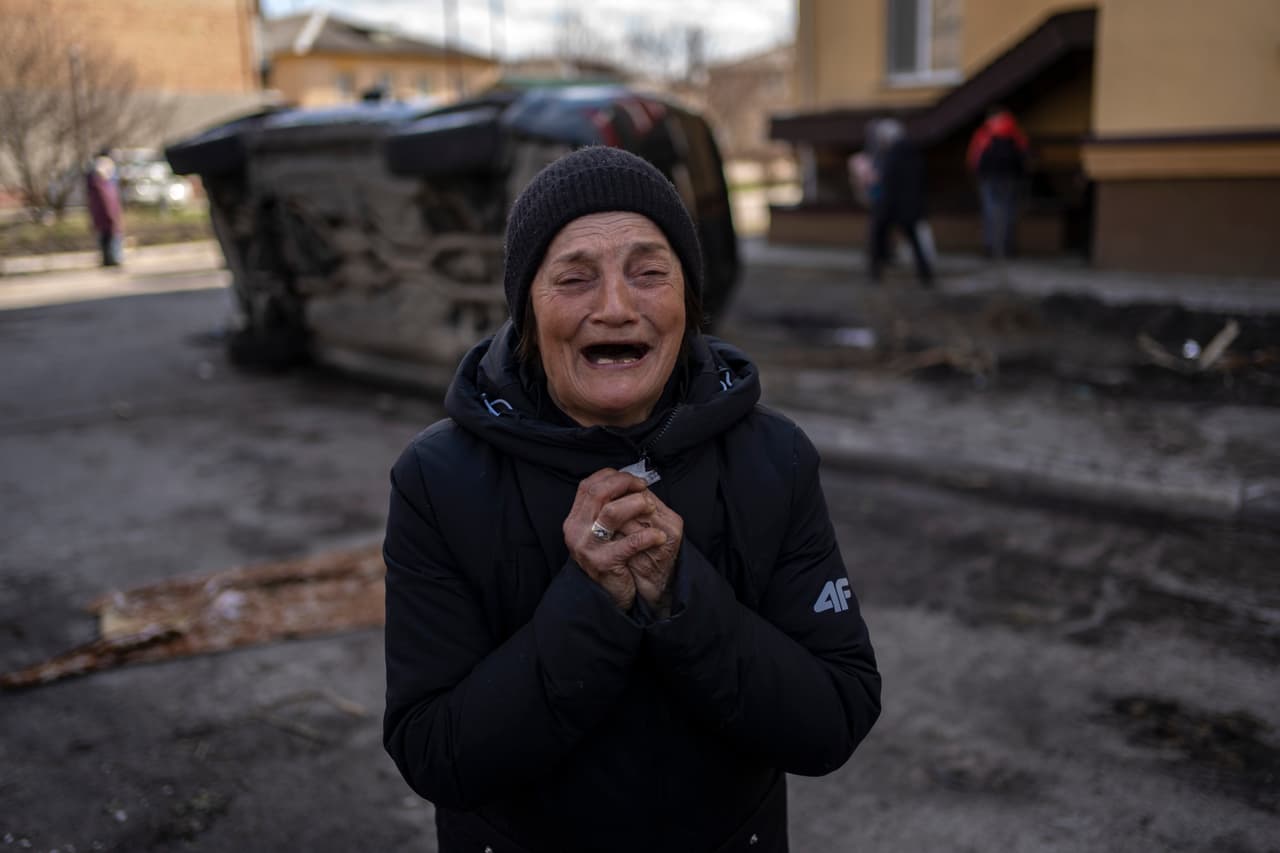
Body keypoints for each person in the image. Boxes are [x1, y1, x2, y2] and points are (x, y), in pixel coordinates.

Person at [383, 146, 881, 853]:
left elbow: (836, 713)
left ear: (689, 301)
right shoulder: (438, 479)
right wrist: (593, 601)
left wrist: (682, 592)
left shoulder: (775, 458)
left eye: (649, 272)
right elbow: (435, 752)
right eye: (574, 278)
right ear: (527, 307)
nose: (615, 308)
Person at [867, 119, 933, 286]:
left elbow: (888, 181)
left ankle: (876, 272)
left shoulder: (893, 155)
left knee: (879, 236)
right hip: (908, 205)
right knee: (913, 239)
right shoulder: (911, 152)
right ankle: (925, 275)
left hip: (893, 205)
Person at [967, 106, 1030, 259]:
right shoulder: (1015, 132)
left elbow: (974, 157)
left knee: (990, 212)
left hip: (988, 179)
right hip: (1011, 179)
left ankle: (990, 247)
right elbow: (1025, 155)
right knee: (1009, 212)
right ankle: (1008, 247)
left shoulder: (984, 133)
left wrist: (977, 173)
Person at [85, 150, 124, 267]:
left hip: (102, 213)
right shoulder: (103, 184)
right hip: (106, 213)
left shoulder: (97, 182)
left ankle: (109, 258)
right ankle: (112, 258)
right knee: (110, 236)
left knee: (106, 236)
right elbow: (108, 201)